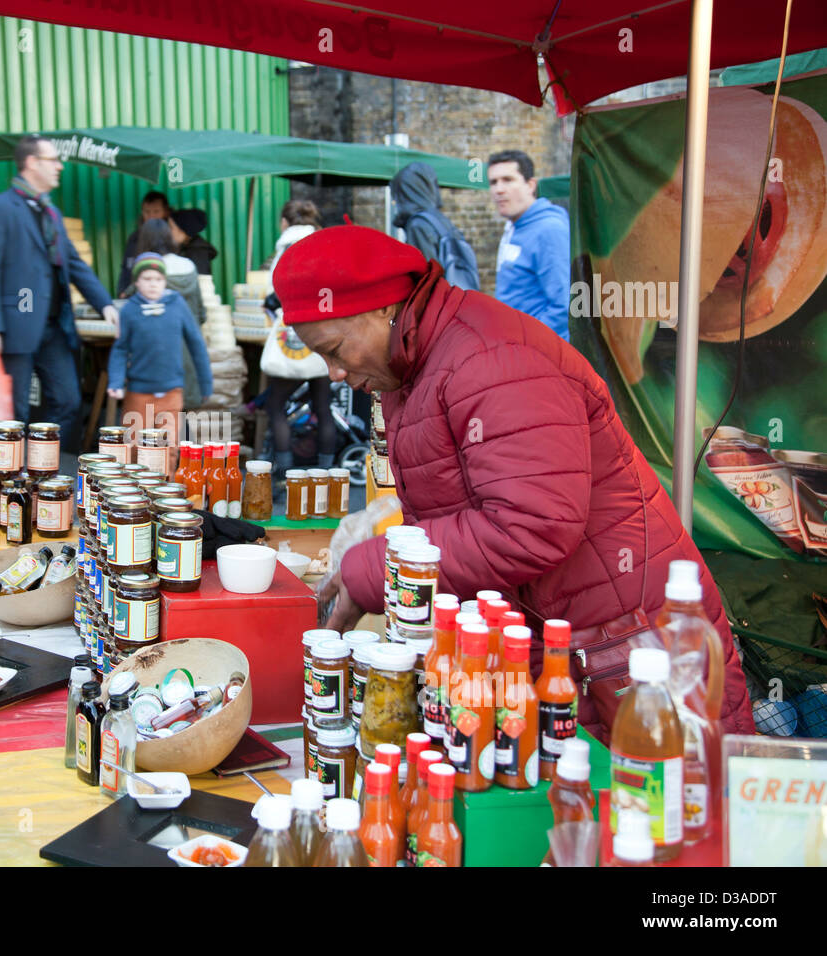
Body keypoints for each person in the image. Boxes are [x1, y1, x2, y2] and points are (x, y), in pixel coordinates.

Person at [274, 224, 755, 741]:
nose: (335, 374)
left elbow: (533, 527)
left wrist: (380, 566)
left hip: (632, 644)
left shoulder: (491, 359)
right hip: (561, 641)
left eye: (335, 349)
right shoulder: (411, 364)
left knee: (669, 810)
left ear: (383, 309)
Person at [0, 134, 119, 449]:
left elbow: (74, 263)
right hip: (15, 326)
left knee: (68, 401)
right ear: (31, 163)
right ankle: (12, 478)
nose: (60, 167)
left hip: (54, 326)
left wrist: (105, 304)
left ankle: (45, 469)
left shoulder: (51, 213)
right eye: (53, 160)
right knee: (14, 412)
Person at [107, 253, 213, 473]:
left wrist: (206, 383)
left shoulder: (177, 305)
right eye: (146, 279)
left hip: (171, 392)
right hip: (138, 393)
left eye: (157, 279)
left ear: (165, 281)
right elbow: (120, 349)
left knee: (169, 445)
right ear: (136, 282)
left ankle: (166, 489)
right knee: (134, 445)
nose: (152, 284)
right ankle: (134, 494)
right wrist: (116, 381)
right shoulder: (128, 310)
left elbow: (196, 344)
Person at [262, 200, 335, 481]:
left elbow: (279, 291)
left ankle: (285, 470)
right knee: (322, 404)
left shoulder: (286, 248)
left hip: (294, 331)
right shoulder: (323, 245)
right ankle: (329, 472)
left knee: (275, 405)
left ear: (284, 222)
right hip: (323, 333)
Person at [121, 217, 207, 407]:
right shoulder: (189, 266)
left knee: (150, 424)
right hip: (187, 354)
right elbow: (201, 314)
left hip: (158, 360)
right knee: (179, 419)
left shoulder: (146, 274)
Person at [488, 149, 571, 339]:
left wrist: (524, 343)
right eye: (493, 182)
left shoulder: (549, 230)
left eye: (508, 180)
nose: (499, 189)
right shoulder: (515, 226)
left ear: (530, 185)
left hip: (539, 355)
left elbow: (564, 305)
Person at [391, 162, 480, 291]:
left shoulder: (417, 225)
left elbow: (426, 279)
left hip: (439, 304)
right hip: (459, 298)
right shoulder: (440, 220)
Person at [116, 189, 171, 295]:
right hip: (135, 298)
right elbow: (126, 267)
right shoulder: (134, 238)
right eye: (147, 212)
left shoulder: (171, 238)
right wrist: (122, 291)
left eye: (156, 211)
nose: (151, 217)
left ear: (166, 212)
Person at [168, 207, 217, 275]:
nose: (168, 231)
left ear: (184, 230)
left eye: (171, 227)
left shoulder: (197, 253)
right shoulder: (185, 248)